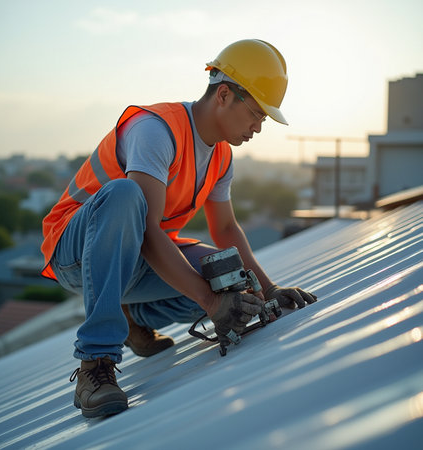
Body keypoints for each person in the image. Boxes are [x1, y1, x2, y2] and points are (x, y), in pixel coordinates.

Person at [41, 39, 317, 418]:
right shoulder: (157, 131)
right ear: (224, 95)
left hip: (134, 256)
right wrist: (210, 302)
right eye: (255, 114)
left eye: (264, 119)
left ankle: (134, 317)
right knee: (124, 194)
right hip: (77, 251)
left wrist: (267, 289)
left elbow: (225, 228)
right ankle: (96, 363)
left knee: (232, 278)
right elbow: (151, 233)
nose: (258, 127)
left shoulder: (221, 156)